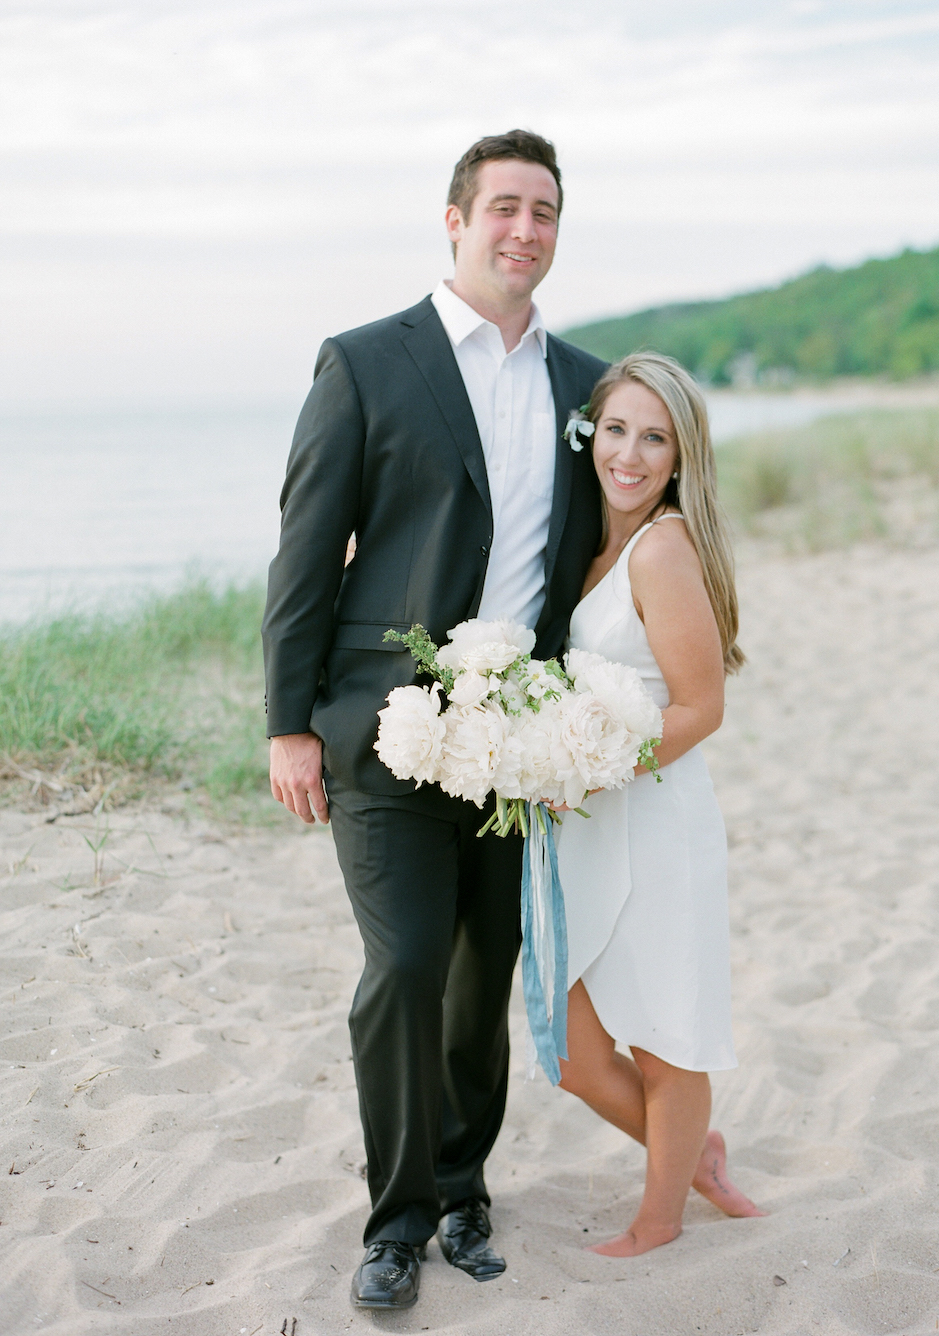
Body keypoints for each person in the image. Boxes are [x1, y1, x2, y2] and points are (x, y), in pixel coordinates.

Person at [261, 130, 607, 1311]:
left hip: (521, 739)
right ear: (453, 220)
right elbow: (305, 552)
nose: (524, 228)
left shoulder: (584, 387)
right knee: (403, 964)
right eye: (504, 206)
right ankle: (397, 1217)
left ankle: (463, 1188)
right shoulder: (366, 362)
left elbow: (604, 556)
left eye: (545, 211)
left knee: (482, 970)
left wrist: (596, 713)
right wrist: (288, 721)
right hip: (384, 723)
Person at [552, 352, 765, 1256]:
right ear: (590, 434)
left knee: (666, 1034)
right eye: (616, 431)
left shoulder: (664, 546)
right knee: (569, 1049)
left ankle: (661, 1217)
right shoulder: (593, 541)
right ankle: (693, 1158)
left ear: (680, 456)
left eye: (654, 438)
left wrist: (603, 763)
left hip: (656, 819)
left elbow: (701, 705)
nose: (629, 455)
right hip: (592, 829)